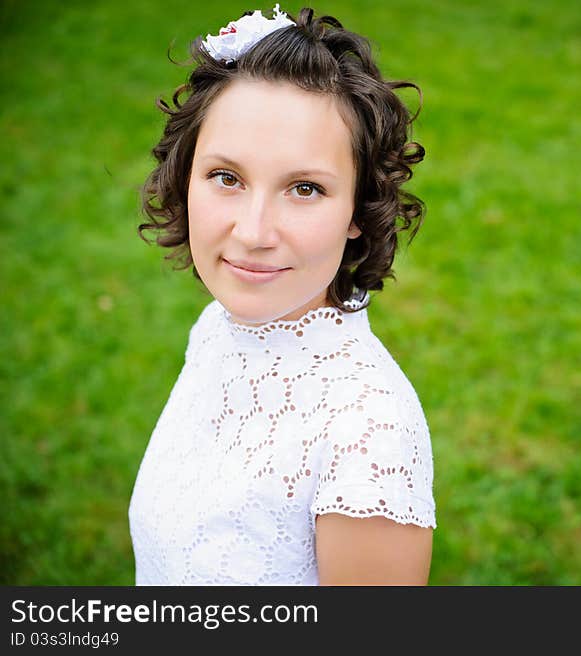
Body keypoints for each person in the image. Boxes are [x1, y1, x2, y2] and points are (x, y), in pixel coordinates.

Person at [128, 5, 435, 585]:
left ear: (357, 210)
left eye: (304, 187)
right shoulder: (219, 329)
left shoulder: (369, 431)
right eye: (227, 177)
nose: (252, 232)